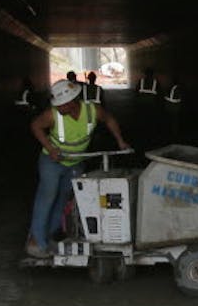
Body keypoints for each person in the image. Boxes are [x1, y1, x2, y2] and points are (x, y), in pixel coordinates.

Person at [25, 78, 129, 257]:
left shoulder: (93, 111)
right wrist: (50, 148)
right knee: (47, 196)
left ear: (72, 102)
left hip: (75, 162)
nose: (58, 108)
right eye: (56, 105)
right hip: (52, 163)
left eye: (61, 105)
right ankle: (36, 242)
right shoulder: (52, 114)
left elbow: (109, 119)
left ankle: (49, 235)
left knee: (65, 199)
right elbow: (35, 126)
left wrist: (120, 140)